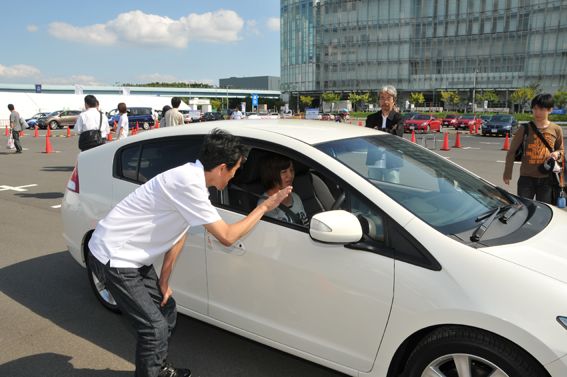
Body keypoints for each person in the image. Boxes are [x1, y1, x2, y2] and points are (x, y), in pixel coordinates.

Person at [87, 129, 292, 377]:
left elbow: (180, 232)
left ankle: (158, 368)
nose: (235, 176)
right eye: (235, 170)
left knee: (166, 310)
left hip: (132, 258)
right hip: (113, 257)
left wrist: (164, 279)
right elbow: (227, 236)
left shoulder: (193, 182)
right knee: (154, 329)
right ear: (221, 168)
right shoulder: (187, 183)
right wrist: (266, 206)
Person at [503, 93, 564, 204]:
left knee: (544, 209)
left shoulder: (556, 129)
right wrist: (507, 173)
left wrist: (557, 153)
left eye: (541, 109)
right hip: (526, 178)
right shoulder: (524, 128)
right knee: (525, 208)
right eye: (535, 109)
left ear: (550, 110)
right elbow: (511, 151)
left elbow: (561, 150)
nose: (537, 112)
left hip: (547, 178)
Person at [365, 86, 404, 183]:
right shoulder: (371, 118)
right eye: (382, 98)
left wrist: (377, 130)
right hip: (374, 162)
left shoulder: (398, 118)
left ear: (393, 101)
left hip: (392, 163)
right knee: (372, 193)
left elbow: (397, 135)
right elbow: (367, 137)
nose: (385, 101)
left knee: (393, 191)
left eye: (388, 98)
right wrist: (389, 131)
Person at [257, 154, 308, 226]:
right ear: (272, 175)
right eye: (284, 172)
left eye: (291, 170)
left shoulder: (295, 197)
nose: (290, 175)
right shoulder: (265, 205)